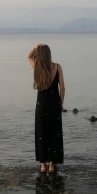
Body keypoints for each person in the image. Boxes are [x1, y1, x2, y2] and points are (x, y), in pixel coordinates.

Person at [27, 43, 65, 174]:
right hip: (54, 104)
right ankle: (51, 165)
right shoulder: (57, 67)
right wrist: (61, 103)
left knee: (42, 133)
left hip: (41, 105)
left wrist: (35, 48)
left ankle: (42, 165)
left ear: (40, 55)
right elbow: (63, 87)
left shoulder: (37, 68)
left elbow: (28, 56)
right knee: (54, 133)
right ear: (49, 54)